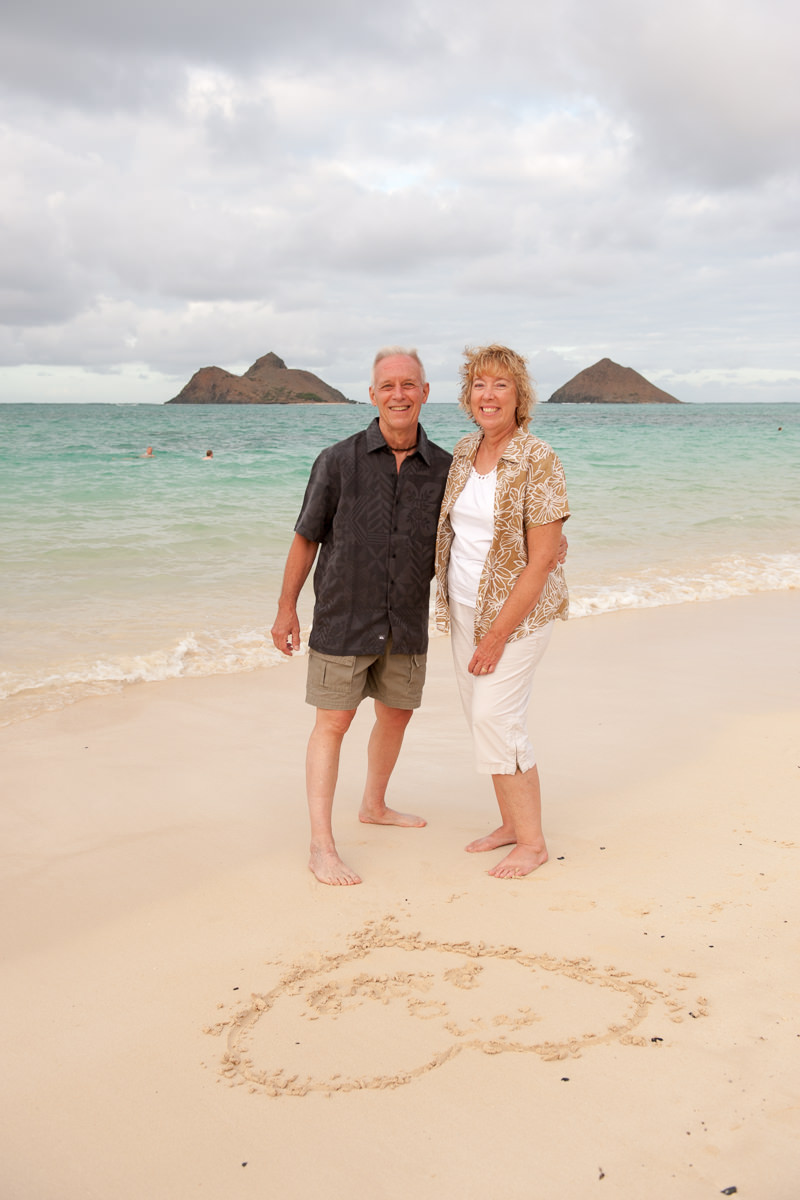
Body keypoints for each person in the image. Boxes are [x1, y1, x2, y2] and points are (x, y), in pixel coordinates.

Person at [270, 348, 452, 886]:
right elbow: (305, 538)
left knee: (397, 714)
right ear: (372, 394)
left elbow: (473, 535)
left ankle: (374, 805)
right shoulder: (337, 460)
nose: (399, 394)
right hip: (343, 616)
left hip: (406, 618)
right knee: (333, 723)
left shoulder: (445, 467)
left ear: (424, 392)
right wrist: (286, 610)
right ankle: (321, 845)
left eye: (409, 384)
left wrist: (546, 546)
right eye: (388, 385)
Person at [434, 345, 570, 879]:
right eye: (479, 386)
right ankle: (511, 824)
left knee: (498, 718)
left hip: (517, 616)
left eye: (501, 386)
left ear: (520, 397)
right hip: (465, 606)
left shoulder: (539, 458)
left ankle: (533, 843)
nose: (488, 396)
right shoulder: (465, 451)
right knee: (481, 721)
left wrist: (495, 637)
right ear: (468, 397)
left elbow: (539, 565)